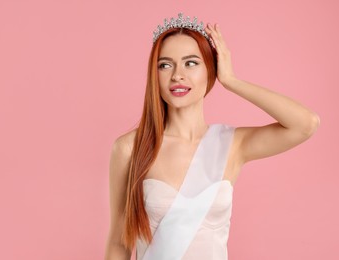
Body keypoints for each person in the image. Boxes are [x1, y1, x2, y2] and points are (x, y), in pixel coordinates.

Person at [104, 12, 320, 260]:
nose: (177, 75)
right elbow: (118, 242)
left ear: (211, 69)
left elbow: (306, 124)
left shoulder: (232, 144)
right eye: (165, 64)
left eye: (191, 63)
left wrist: (231, 80)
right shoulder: (130, 148)